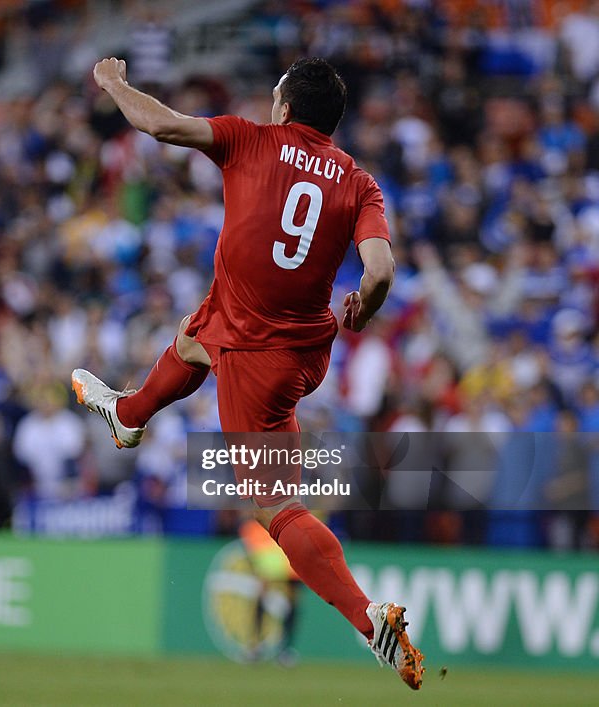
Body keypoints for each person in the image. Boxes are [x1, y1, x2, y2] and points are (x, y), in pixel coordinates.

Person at [72, 57, 424, 689]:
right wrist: (364, 312)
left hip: (252, 353)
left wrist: (113, 84)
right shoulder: (358, 182)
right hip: (301, 349)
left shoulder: (249, 137)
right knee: (197, 331)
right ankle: (128, 415)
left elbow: (161, 126)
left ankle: (365, 618)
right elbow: (380, 274)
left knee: (273, 505)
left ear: (284, 109)